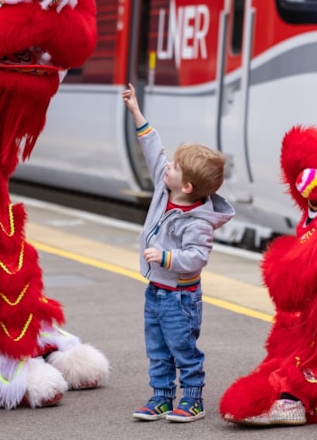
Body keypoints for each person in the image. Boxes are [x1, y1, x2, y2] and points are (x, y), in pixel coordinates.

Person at [122, 83, 235, 423]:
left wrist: (166, 258)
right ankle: (161, 397)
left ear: (186, 187)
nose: (165, 167)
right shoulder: (164, 187)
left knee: (183, 349)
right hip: (156, 291)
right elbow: (153, 150)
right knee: (157, 350)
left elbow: (197, 257)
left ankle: (193, 400)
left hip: (180, 298)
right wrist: (136, 112)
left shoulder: (198, 221)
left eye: (173, 167)